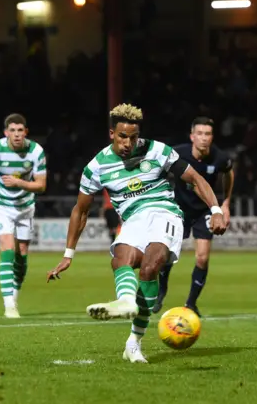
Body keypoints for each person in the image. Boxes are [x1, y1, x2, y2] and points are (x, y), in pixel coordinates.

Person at [45, 104, 226, 363]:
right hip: (133, 219)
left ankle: (134, 341)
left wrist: (216, 209)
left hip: (165, 213)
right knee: (120, 256)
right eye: (122, 136)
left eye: (133, 136)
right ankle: (127, 301)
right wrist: (68, 254)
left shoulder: (157, 150)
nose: (129, 142)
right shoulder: (96, 166)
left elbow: (195, 179)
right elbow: (81, 211)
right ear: (111, 134)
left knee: (151, 267)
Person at [152, 117, 234, 317]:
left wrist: (225, 203)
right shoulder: (178, 153)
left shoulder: (220, 158)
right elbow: (158, 168)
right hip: (179, 209)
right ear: (192, 136)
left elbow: (229, 173)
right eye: (200, 134)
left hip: (205, 211)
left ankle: (191, 304)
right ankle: (161, 290)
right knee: (166, 256)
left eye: (208, 134)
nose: (204, 138)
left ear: (212, 137)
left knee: (202, 258)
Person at [0, 113, 47, 319]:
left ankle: (13, 297)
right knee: (7, 249)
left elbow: (41, 186)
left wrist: (20, 183)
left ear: (25, 132)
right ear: (6, 132)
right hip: (1, 206)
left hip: (26, 207)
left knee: (22, 254)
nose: (16, 135)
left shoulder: (36, 151)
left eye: (20, 130)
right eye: (12, 130)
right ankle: (9, 305)